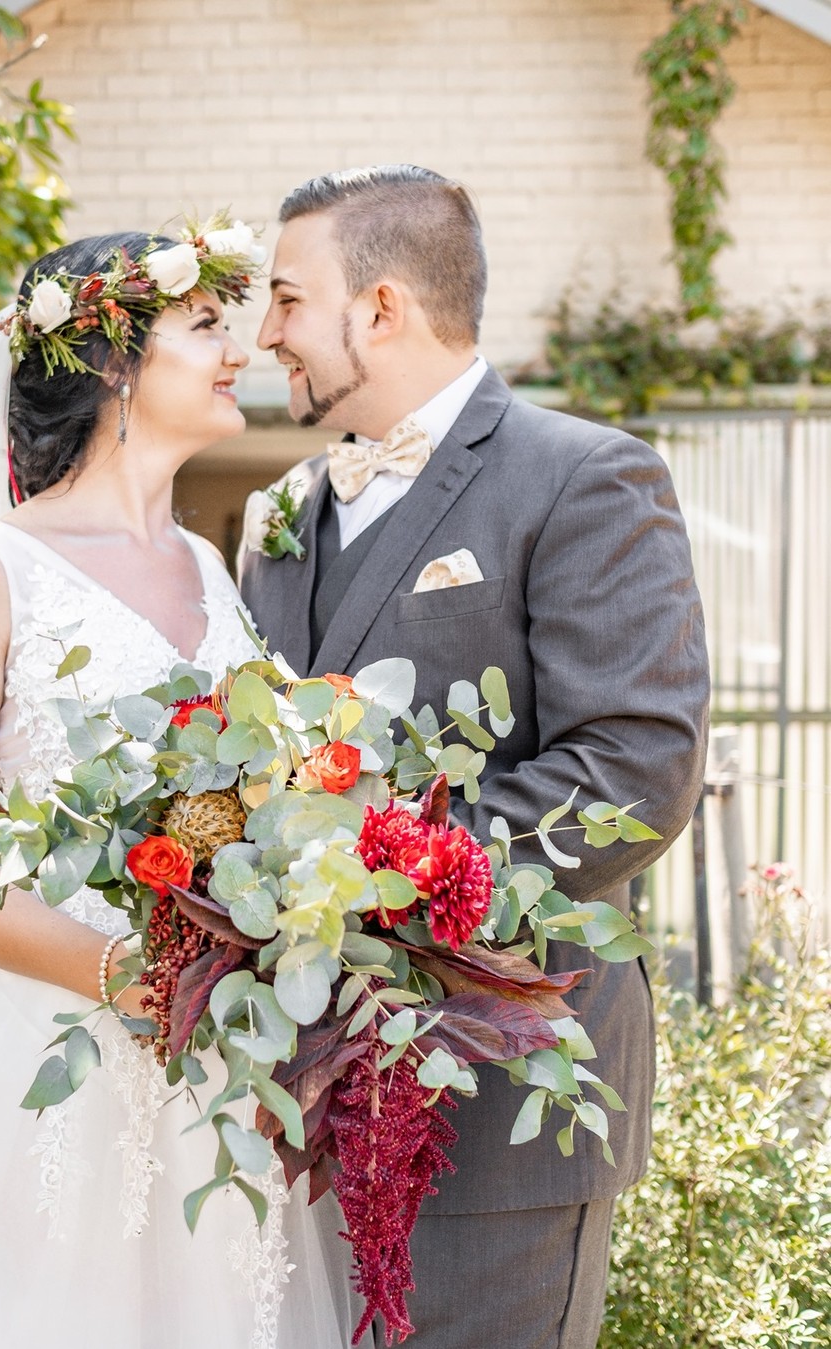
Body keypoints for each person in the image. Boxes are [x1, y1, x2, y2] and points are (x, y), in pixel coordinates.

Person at [0, 228, 359, 1349]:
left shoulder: (212, 564)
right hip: (44, 1047)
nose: (235, 347)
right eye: (204, 325)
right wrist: (121, 973)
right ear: (113, 363)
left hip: (209, 1062)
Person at [239, 165, 710, 1349]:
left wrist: (387, 877)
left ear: (382, 307)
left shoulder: (582, 476)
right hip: (306, 1097)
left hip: (506, 1086)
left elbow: (635, 766)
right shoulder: (286, 507)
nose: (266, 334)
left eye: (289, 299)